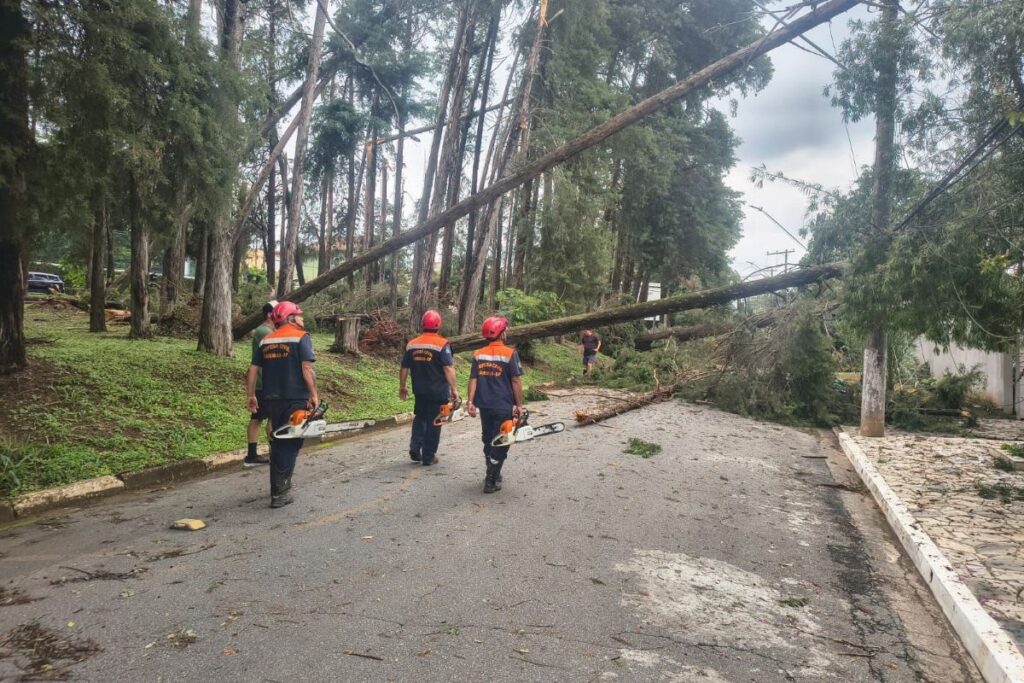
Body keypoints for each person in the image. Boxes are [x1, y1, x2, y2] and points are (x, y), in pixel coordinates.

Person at [246, 301, 319, 508]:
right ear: (290, 318)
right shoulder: (301, 337)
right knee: (290, 442)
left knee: (279, 440)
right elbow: (306, 368)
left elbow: (253, 369)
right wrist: (314, 393)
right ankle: (280, 492)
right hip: (295, 398)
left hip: (271, 399)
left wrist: (251, 395)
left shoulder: (266, 339)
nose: (302, 318)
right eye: (299, 315)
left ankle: (280, 486)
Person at [466, 316, 524, 493]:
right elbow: (515, 380)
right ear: (502, 333)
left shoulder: (478, 354)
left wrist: (470, 401)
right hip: (502, 405)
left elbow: (473, 379)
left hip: (485, 405)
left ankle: (493, 472)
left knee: (488, 438)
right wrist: (519, 405)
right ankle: (491, 480)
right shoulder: (509, 353)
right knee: (502, 441)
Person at [399, 310, 459, 467]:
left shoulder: (412, 344)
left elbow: (404, 367)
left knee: (420, 417)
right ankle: (428, 455)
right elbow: (448, 368)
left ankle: (415, 448)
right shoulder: (442, 344)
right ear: (438, 325)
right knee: (435, 421)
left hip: (419, 391)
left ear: (422, 324)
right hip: (438, 392)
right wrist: (454, 389)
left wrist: (402, 386)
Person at [245, 301, 277, 467]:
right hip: (263, 382)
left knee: (267, 417)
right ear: (270, 314)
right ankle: (255, 455)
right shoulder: (264, 331)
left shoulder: (268, 330)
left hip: (267, 382)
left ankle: (264, 453)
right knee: (261, 418)